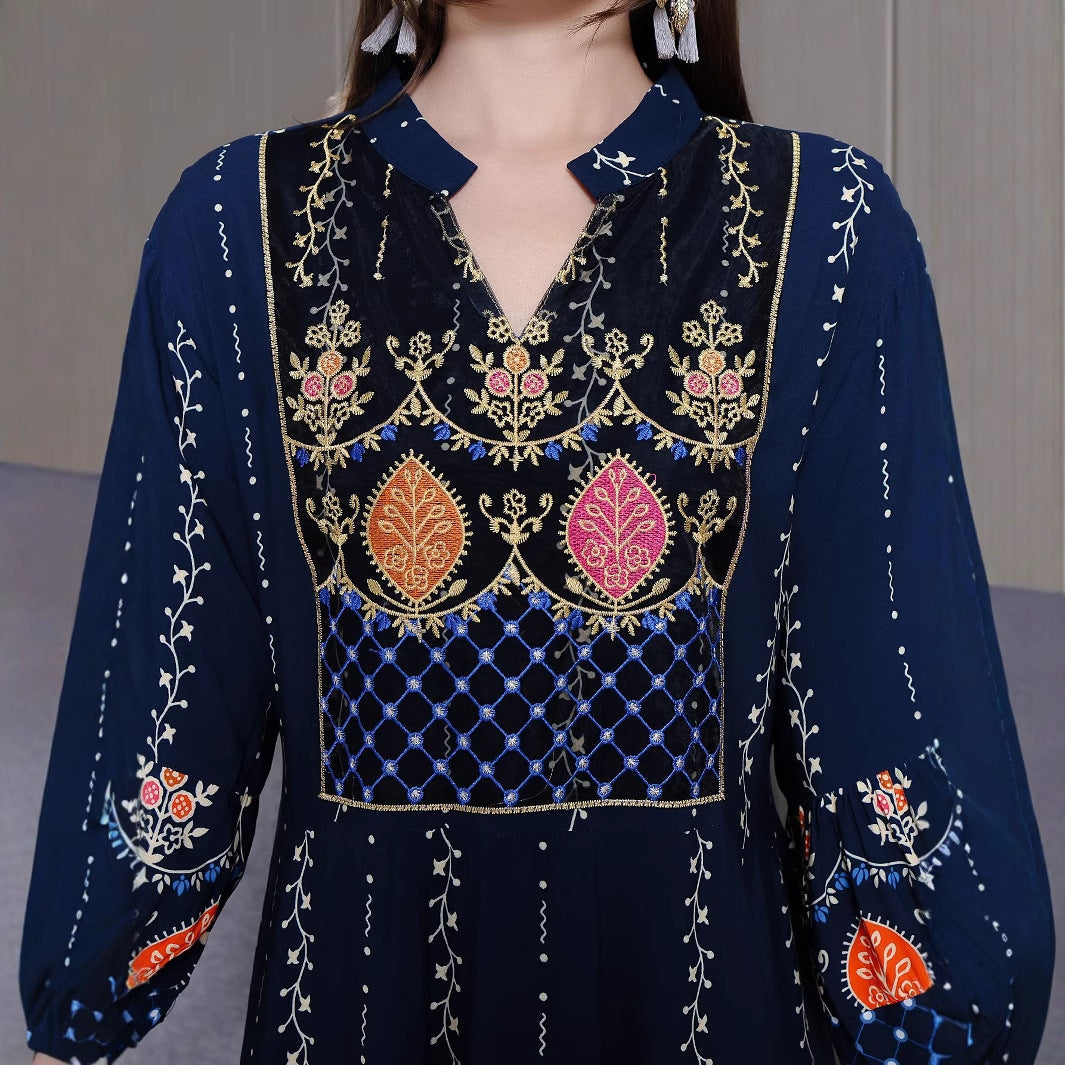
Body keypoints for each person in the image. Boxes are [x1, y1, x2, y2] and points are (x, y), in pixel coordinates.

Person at [19, 0, 1055, 1062]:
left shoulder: (824, 225)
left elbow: (894, 714)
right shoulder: (235, 225)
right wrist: (76, 1008)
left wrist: (943, 1018)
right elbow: (165, 723)